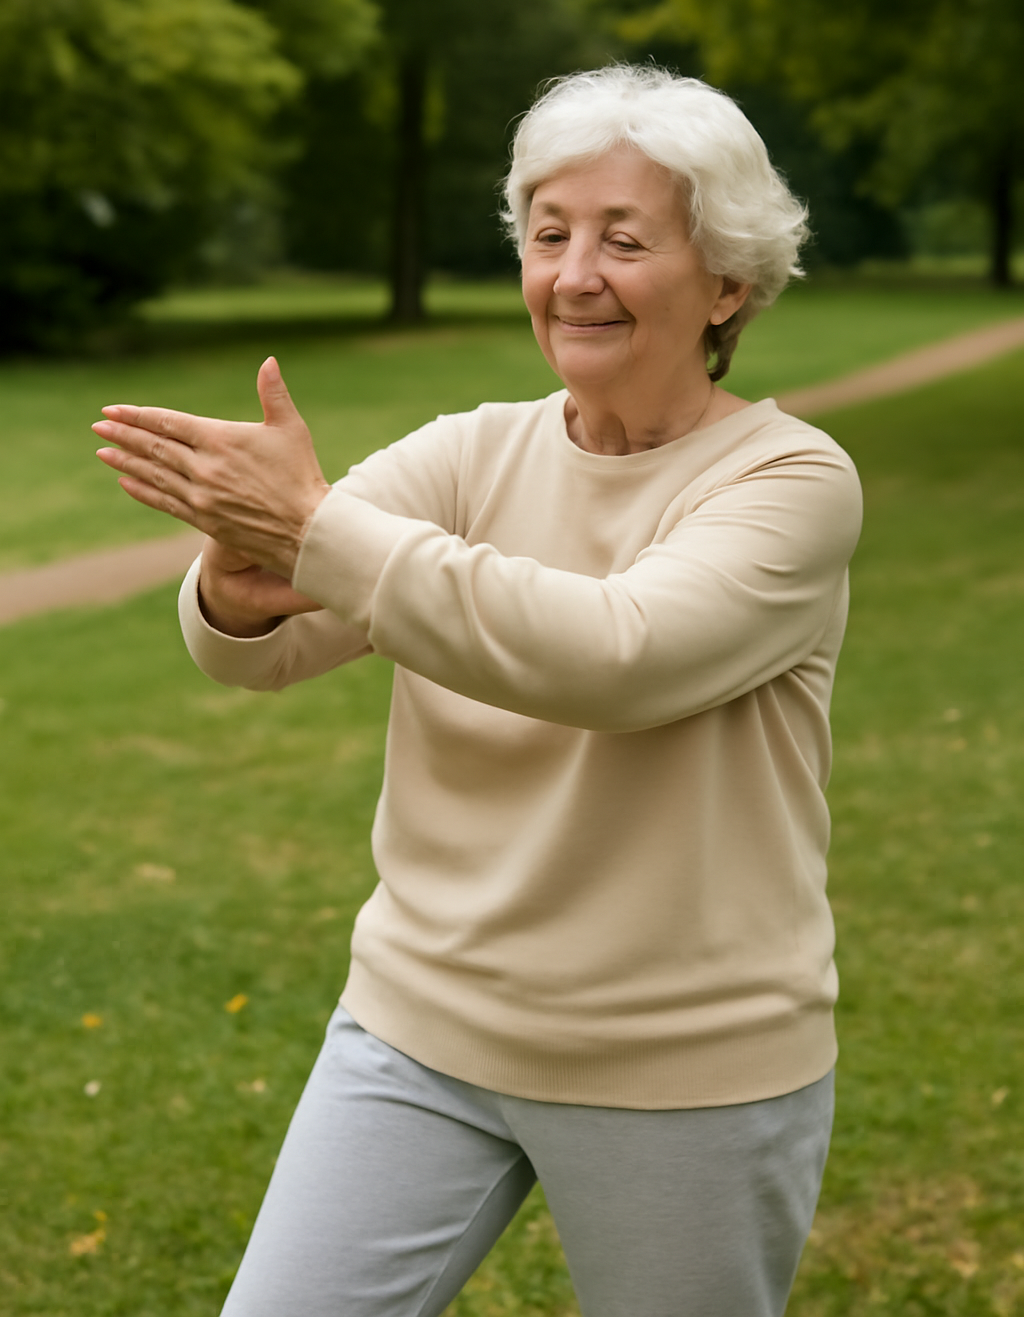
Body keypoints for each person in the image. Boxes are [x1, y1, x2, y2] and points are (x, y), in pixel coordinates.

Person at [93, 64, 862, 1317]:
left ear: (728, 282)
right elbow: (266, 647)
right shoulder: (469, 452)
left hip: (680, 1062)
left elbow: (614, 658)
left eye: (623, 241)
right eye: (549, 236)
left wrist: (317, 533)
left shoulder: (788, 483)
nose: (574, 275)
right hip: (419, 1025)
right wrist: (236, 580)